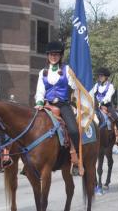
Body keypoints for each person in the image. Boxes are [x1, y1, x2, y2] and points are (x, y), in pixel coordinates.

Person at [34, 41, 80, 174]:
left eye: (56, 55)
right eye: (51, 55)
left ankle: (76, 157)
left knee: (73, 130)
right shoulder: (42, 72)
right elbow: (40, 90)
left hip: (63, 104)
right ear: (47, 56)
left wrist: (77, 95)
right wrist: (39, 102)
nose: (53, 57)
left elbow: (74, 86)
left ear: (60, 56)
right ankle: (30, 160)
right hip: (47, 105)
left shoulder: (67, 69)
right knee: (31, 128)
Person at [90, 67, 118, 144]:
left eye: (102, 76)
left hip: (107, 106)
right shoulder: (96, 85)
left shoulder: (110, 86)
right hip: (96, 105)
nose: (100, 77)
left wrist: (101, 102)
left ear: (106, 77)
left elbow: (108, 96)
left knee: (116, 118)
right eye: (99, 76)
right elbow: (92, 93)